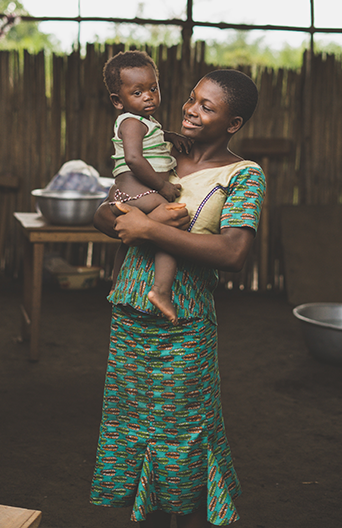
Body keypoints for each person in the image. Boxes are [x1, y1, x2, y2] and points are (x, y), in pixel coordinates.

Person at [90, 68, 266, 528]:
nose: (191, 109)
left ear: (233, 124)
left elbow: (233, 253)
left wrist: (147, 228)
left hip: (183, 321)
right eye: (191, 99)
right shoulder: (161, 157)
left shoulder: (243, 175)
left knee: (184, 436)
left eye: (207, 106)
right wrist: (110, 215)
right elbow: (110, 207)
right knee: (132, 431)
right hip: (129, 310)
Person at [103, 50, 192, 325]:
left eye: (153, 88)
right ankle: (161, 291)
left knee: (130, 239)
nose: (149, 96)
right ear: (118, 100)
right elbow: (133, 158)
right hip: (139, 193)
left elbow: (151, 139)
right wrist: (162, 187)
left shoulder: (145, 123)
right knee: (170, 228)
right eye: (138, 92)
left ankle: (117, 283)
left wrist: (170, 136)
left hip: (130, 194)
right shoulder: (131, 123)